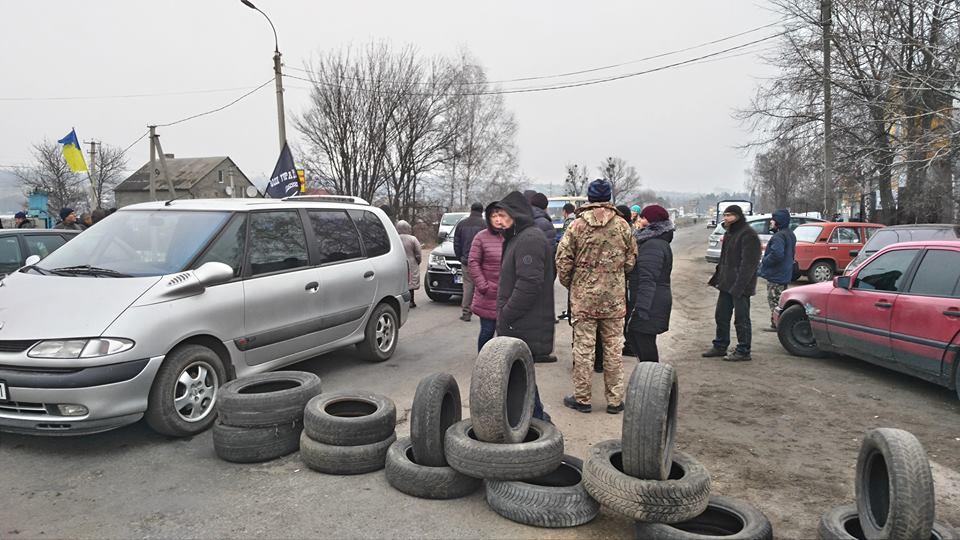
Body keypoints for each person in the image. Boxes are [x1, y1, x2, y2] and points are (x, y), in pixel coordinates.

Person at [556, 179, 637, 414]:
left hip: (584, 300)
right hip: (614, 300)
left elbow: (562, 260)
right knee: (613, 349)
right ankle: (614, 401)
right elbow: (631, 260)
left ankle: (582, 399)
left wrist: (573, 284)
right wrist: (615, 277)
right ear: (609, 197)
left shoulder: (576, 226)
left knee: (583, 349)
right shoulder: (623, 226)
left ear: (589, 198)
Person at [496, 191, 555, 421]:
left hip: (525, 324)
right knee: (522, 377)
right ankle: (536, 420)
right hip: (520, 324)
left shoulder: (530, 238)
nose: (499, 220)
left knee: (521, 377)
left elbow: (529, 284)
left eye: (503, 215)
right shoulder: (518, 237)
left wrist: (507, 315)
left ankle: (539, 425)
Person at [703, 205, 762, 361]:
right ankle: (720, 345)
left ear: (738, 216)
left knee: (741, 319)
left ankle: (743, 350)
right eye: (725, 215)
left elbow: (749, 265)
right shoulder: (730, 233)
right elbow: (724, 260)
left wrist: (739, 287)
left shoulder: (748, 235)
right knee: (721, 316)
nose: (726, 218)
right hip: (726, 283)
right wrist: (718, 277)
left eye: (730, 215)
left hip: (741, 286)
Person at [626, 204, 675, 362]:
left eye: (643, 217)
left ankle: (651, 379)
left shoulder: (653, 245)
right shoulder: (654, 241)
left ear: (652, 222)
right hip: (651, 300)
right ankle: (648, 376)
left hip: (650, 302)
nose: (639, 220)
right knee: (638, 338)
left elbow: (648, 279)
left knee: (644, 342)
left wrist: (641, 308)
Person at [467, 202, 505, 352]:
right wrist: (483, 285)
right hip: (488, 294)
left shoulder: (512, 237)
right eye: (493, 216)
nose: (497, 219)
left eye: (500, 215)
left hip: (508, 295)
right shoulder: (481, 238)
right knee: (487, 331)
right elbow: (473, 262)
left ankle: (503, 364)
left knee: (505, 335)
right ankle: (483, 362)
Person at [758, 209, 796, 331]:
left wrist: (765, 261)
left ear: (778, 222)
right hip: (785, 273)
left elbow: (777, 254)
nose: (770, 222)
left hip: (776, 275)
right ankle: (777, 323)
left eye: (773, 220)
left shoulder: (779, 236)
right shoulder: (790, 234)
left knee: (774, 301)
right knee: (781, 299)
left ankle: (777, 324)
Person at [453, 202, 486, 322]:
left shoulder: (461, 224)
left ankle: (466, 313)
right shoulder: (485, 224)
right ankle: (483, 312)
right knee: (483, 285)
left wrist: (460, 257)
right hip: (482, 262)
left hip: (467, 261)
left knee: (468, 286)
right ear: (481, 211)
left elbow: (456, 244)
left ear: (471, 210)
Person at [396, 220, 422, 309]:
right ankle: (411, 301)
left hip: (398, 262)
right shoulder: (412, 239)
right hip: (411, 262)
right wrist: (418, 261)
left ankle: (400, 302)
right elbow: (418, 252)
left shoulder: (395, 238)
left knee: (401, 282)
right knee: (411, 282)